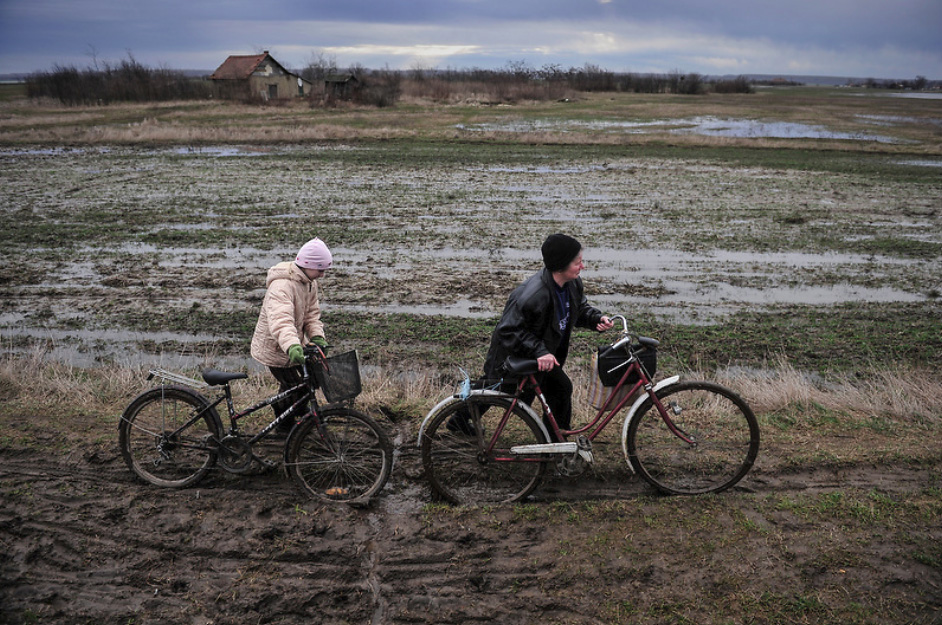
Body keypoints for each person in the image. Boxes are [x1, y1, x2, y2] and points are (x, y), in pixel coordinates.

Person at [476, 233, 614, 438]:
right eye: (578, 263)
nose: (582, 266)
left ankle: (555, 442)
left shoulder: (572, 284)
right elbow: (508, 330)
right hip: (513, 356)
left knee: (560, 389)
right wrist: (539, 351)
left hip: (543, 357)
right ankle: (459, 420)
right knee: (496, 391)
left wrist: (595, 319)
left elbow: (577, 309)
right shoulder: (533, 295)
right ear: (561, 265)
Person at [250, 238, 332, 433]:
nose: (322, 274)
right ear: (307, 265)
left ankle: (299, 420)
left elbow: (311, 315)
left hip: (293, 343)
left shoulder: (309, 283)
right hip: (276, 347)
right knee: (294, 385)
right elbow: (281, 320)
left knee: (306, 383)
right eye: (320, 269)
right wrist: (292, 346)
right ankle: (285, 425)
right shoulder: (282, 286)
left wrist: (317, 337)